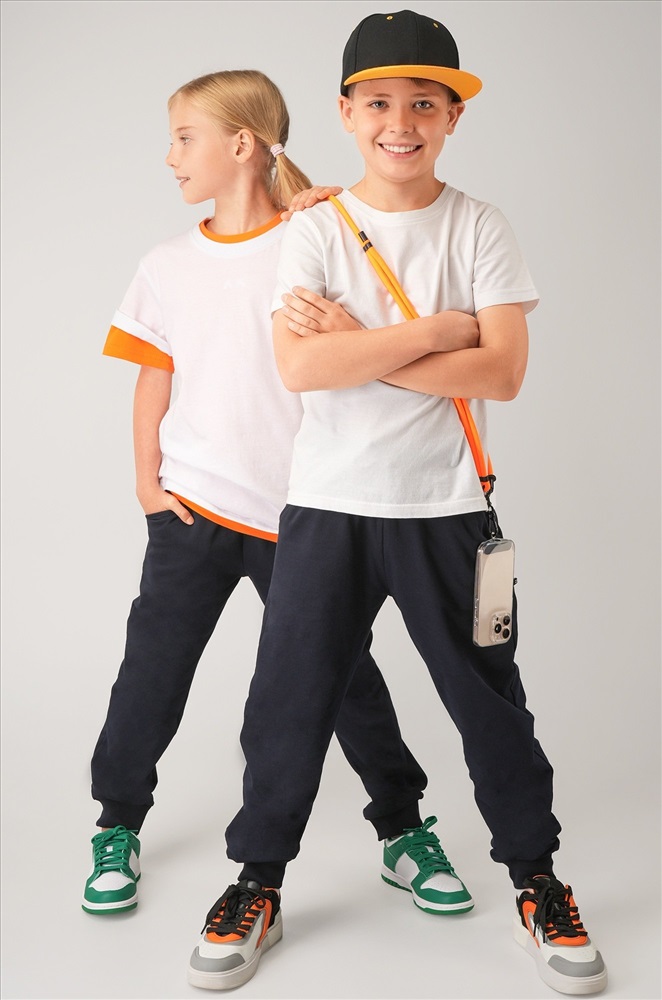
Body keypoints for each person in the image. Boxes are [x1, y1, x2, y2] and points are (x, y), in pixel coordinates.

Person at [188, 12, 608, 997]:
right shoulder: (316, 227)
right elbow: (301, 367)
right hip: (326, 508)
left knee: (488, 704)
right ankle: (256, 882)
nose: (401, 122)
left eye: (425, 102)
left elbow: (501, 374)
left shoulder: (479, 226)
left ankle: (536, 880)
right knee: (287, 700)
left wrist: (361, 342)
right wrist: (438, 332)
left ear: (453, 117)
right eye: (378, 102)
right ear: (345, 113)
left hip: (447, 510)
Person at [83, 68, 472, 923]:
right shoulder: (166, 264)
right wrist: (147, 484)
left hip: (303, 514)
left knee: (347, 682)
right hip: (192, 510)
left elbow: (369, 345)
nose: (170, 156)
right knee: (152, 672)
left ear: (241, 144)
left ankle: (403, 828)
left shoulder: (319, 234)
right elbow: (155, 377)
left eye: (184, 137)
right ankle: (116, 823)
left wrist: (335, 210)